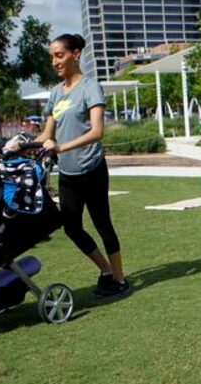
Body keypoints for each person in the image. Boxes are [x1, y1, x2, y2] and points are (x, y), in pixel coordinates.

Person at [30, 34, 130, 299]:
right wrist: (21, 144)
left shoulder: (89, 87)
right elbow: (46, 134)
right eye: (51, 56)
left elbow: (97, 131)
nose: (54, 61)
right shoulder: (55, 93)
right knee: (71, 227)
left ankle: (120, 279)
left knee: (102, 224)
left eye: (59, 55)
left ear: (75, 54)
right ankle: (106, 270)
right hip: (67, 172)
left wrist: (61, 147)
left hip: (91, 168)